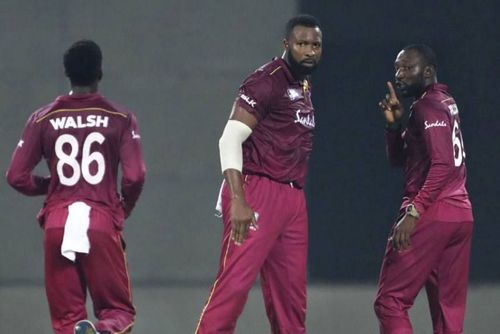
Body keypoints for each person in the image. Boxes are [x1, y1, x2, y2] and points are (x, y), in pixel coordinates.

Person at [6, 39, 146, 334]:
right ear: (100, 73)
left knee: (67, 321)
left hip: (58, 223)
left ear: (67, 74)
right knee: (118, 312)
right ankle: (102, 330)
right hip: (100, 218)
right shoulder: (120, 118)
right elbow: (134, 176)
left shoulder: (42, 118)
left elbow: (16, 176)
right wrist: (123, 209)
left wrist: (52, 185)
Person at [195, 14, 322, 334]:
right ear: (286, 45)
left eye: (315, 45)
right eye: (302, 44)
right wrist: (238, 199)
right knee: (233, 289)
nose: (309, 50)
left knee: (291, 301)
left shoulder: (302, 84)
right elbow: (229, 139)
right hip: (256, 192)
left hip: (293, 198)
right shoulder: (267, 80)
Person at [374, 44, 473, 334]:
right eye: (397, 68)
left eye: (407, 68)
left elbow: (441, 165)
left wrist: (414, 212)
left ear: (428, 71)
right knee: (448, 312)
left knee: (390, 302)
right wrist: (393, 128)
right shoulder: (444, 101)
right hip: (460, 215)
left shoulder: (427, 106)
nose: (399, 74)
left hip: (433, 211)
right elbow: (401, 160)